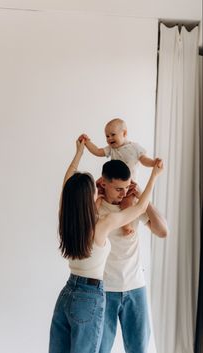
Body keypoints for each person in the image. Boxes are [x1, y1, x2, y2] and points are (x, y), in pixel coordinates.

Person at [48, 139, 163, 353]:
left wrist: (79, 153)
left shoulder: (65, 217)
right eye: (94, 188)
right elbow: (139, 209)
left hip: (67, 293)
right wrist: (154, 176)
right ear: (88, 198)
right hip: (89, 296)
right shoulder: (102, 226)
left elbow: (68, 184)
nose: (98, 189)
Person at [95, 159, 168, 353]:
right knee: (100, 349)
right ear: (103, 182)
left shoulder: (133, 205)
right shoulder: (96, 208)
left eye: (127, 187)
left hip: (136, 287)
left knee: (139, 349)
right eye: (119, 188)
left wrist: (142, 199)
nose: (124, 193)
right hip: (104, 291)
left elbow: (163, 231)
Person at [79, 117, 162, 235]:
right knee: (96, 191)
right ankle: (93, 214)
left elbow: (144, 160)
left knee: (126, 203)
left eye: (112, 135)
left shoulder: (134, 148)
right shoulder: (111, 149)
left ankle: (126, 226)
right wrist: (87, 142)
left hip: (129, 184)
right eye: (107, 136)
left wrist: (153, 163)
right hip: (113, 180)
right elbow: (97, 151)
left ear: (124, 133)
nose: (109, 138)